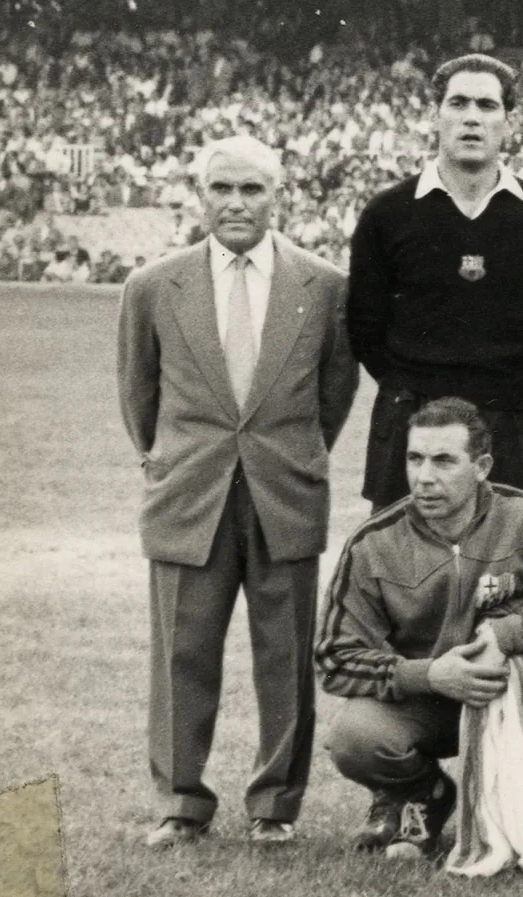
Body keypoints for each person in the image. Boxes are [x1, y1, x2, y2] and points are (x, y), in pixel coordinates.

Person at [117, 134, 359, 848]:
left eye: (252, 190)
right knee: (180, 654)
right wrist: (176, 460)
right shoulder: (154, 284)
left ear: (278, 197)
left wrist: (287, 455)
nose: (236, 203)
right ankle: (180, 803)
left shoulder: (324, 286)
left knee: (284, 656)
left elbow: (333, 393)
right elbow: (139, 395)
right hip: (190, 494)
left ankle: (274, 806)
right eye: (222, 189)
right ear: (200, 197)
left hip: (285, 491)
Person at [316, 398, 523, 859]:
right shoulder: (374, 544)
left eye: (443, 461)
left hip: (513, 693)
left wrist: (510, 634)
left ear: (482, 466)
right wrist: (428, 674)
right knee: (353, 736)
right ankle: (426, 794)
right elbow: (333, 658)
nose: (424, 477)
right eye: (415, 459)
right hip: (430, 702)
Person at [348, 54, 523, 507]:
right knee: (404, 568)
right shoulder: (386, 213)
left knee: (510, 569)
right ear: (435, 115)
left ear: (509, 121)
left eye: (487, 106)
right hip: (414, 416)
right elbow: (364, 328)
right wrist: (415, 383)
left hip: (511, 418)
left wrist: (511, 386)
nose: (472, 117)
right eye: (459, 103)